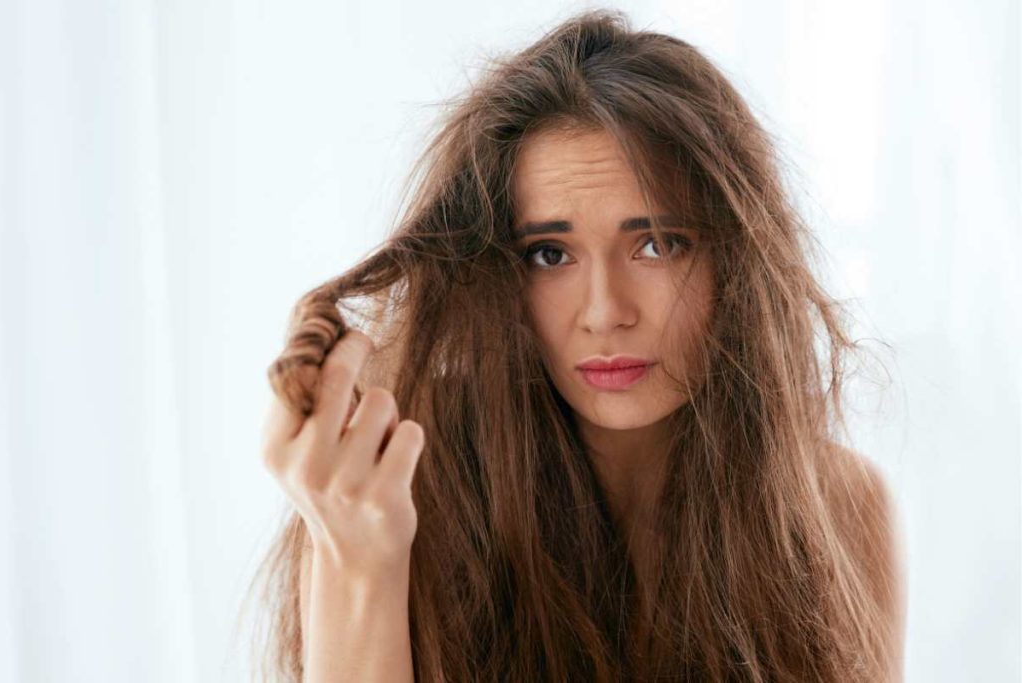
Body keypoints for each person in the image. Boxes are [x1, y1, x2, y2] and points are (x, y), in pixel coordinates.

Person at [248, 8, 906, 682]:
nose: (604, 312)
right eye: (550, 254)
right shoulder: (389, 495)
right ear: (496, 273)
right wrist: (362, 561)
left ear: (737, 262)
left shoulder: (837, 505)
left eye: (657, 244)